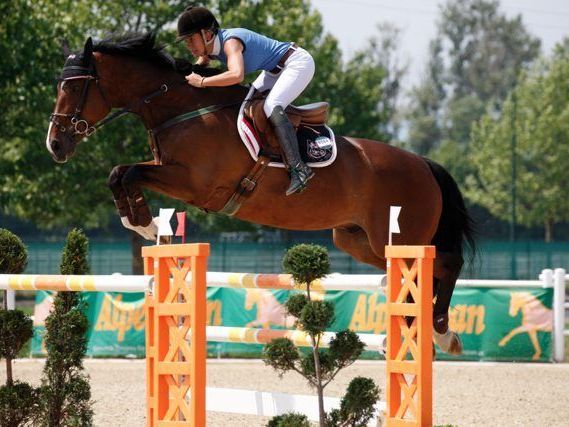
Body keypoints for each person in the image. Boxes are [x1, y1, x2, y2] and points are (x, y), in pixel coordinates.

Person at [177, 5, 315, 196]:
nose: (189, 46)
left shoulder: (230, 43)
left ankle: (299, 169)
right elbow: (201, 65)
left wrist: (202, 82)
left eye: (191, 39)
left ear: (206, 34)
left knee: (271, 106)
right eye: (186, 41)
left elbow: (236, 75)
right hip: (274, 71)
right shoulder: (210, 47)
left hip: (297, 63)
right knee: (244, 105)